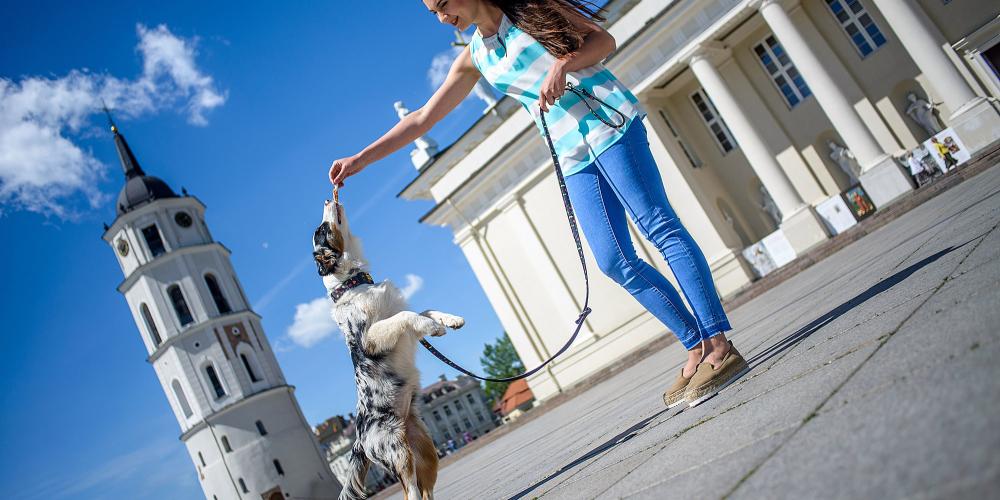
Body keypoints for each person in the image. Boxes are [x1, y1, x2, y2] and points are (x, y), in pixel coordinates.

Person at [327, 0, 748, 408]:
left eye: (441, 5)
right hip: (571, 154)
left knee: (659, 226)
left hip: (608, 122)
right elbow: (421, 119)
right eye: (433, 13)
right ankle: (695, 344)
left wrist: (564, 64)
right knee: (614, 260)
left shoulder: (529, 10)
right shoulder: (476, 56)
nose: (441, 18)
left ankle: (717, 343)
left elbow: (602, 40)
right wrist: (360, 159)